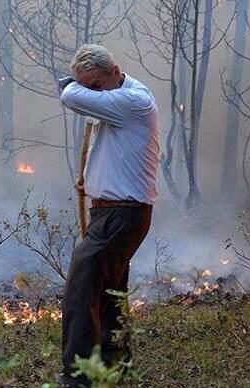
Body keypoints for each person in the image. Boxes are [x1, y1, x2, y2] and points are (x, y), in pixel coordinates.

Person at [58, 44, 159, 387]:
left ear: (116, 72)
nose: (93, 94)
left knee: (82, 289)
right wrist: (85, 87)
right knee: (108, 292)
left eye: (96, 86)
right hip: (114, 213)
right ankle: (115, 365)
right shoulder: (116, 98)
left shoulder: (133, 101)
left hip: (122, 214)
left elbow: (70, 97)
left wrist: (75, 87)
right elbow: (79, 97)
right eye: (90, 87)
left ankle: (79, 378)